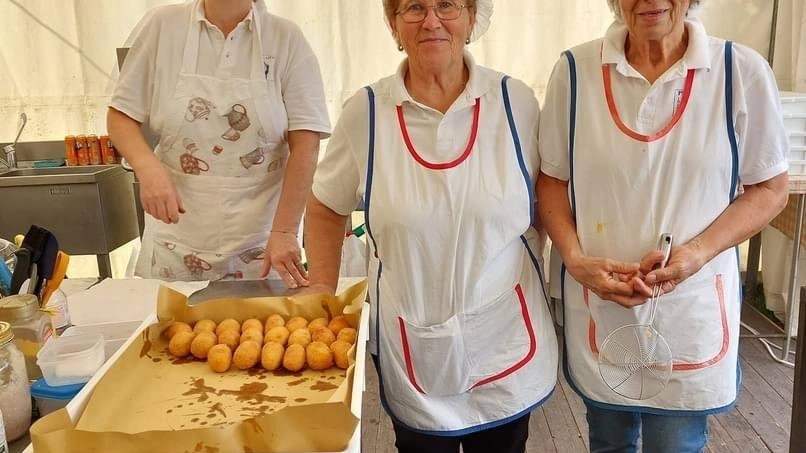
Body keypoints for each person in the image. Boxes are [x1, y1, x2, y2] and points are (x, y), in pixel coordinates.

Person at [303, 1, 558, 451]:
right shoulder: (366, 112)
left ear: (472, 18)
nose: (432, 20)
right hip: (412, 333)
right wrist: (321, 290)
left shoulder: (515, 101)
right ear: (393, 24)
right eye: (414, 7)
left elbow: (546, 198)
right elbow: (325, 206)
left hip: (503, 329)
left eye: (447, 5)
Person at [537, 1, 789, 452]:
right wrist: (575, 260)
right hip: (603, 301)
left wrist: (697, 253)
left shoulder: (739, 72)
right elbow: (552, 180)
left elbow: (770, 188)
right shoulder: (575, 73)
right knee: (609, 442)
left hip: (689, 307)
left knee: (676, 443)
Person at [108, 0, 329, 286]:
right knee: (171, 330)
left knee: (262, 329)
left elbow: (306, 143)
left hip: (260, 247)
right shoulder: (163, 26)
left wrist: (285, 232)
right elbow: (120, 116)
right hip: (176, 244)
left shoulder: (285, 38)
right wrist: (147, 167)